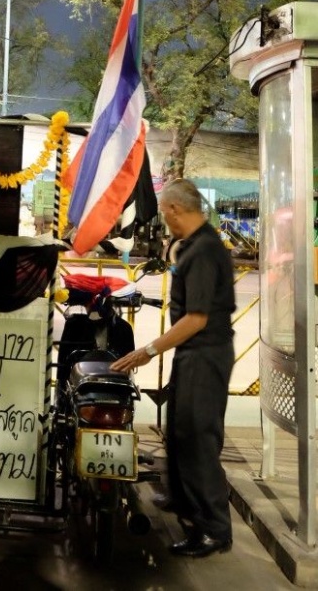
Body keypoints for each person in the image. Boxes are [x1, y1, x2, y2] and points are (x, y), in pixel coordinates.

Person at [112, 178, 236, 558]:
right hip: (194, 354)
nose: (163, 218)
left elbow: (196, 318)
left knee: (198, 438)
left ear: (176, 210)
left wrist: (147, 350)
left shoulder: (204, 251)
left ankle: (213, 528)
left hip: (205, 352)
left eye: (164, 211)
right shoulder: (196, 245)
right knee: (179, 432)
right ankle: (184, 502)